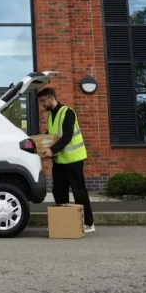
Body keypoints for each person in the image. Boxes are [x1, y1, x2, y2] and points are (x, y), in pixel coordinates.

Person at [37, 87, 95, 233]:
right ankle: (63, 221)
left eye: (43, 101)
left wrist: (52, 150)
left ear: (51, 98)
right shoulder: (51, 116)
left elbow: (67, 136)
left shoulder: (67, 112)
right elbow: (51, 135)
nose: (42, 105)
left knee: (79, 191)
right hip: (59, 161)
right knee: (59, 191)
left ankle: (88, 223)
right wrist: (39, 143)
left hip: (74, 160)